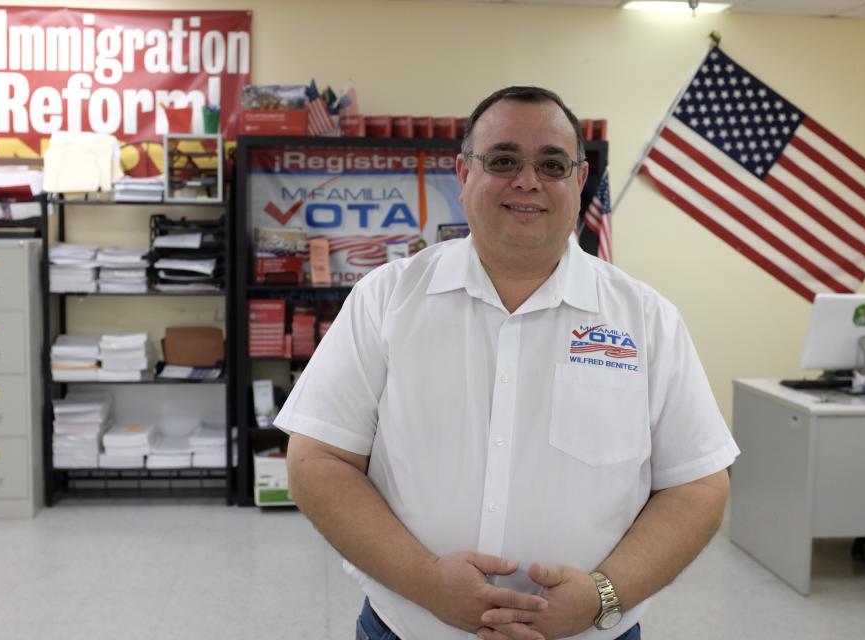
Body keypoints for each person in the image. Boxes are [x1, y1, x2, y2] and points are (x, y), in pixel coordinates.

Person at [276, 86, 740, 640]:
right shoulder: (387, 299)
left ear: (579, 178)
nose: (527, 181)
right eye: (502, 160)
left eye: (551, 164)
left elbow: (698, 486)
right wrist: (428, 584)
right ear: (463, 172)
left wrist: (601, 596)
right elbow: (317, 461)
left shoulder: (647, 319)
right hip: (407, 628)